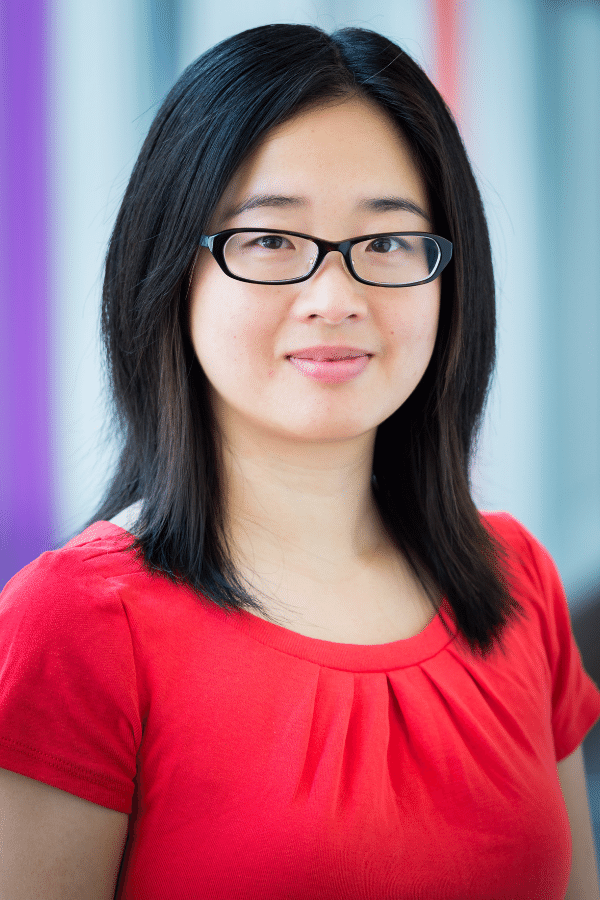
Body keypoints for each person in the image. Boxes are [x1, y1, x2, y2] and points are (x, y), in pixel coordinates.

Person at [0, 23, 599, 900]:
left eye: (389, 243)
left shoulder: (518, 583)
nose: (335, 297)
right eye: (271, 241)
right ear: (172, 272)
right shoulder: (74, 626)